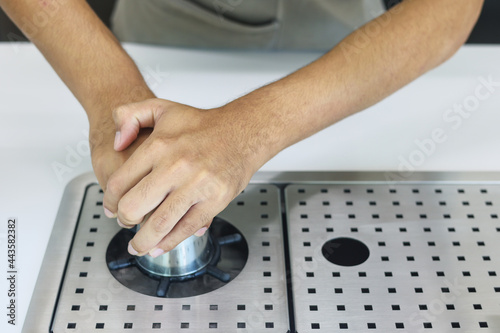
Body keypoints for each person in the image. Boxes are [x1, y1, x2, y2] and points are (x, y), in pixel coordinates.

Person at [0, 0, 484, 258]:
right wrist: (116, 103)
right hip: (157, 42)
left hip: (354, 60)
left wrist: (251, 130)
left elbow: (450, 8)